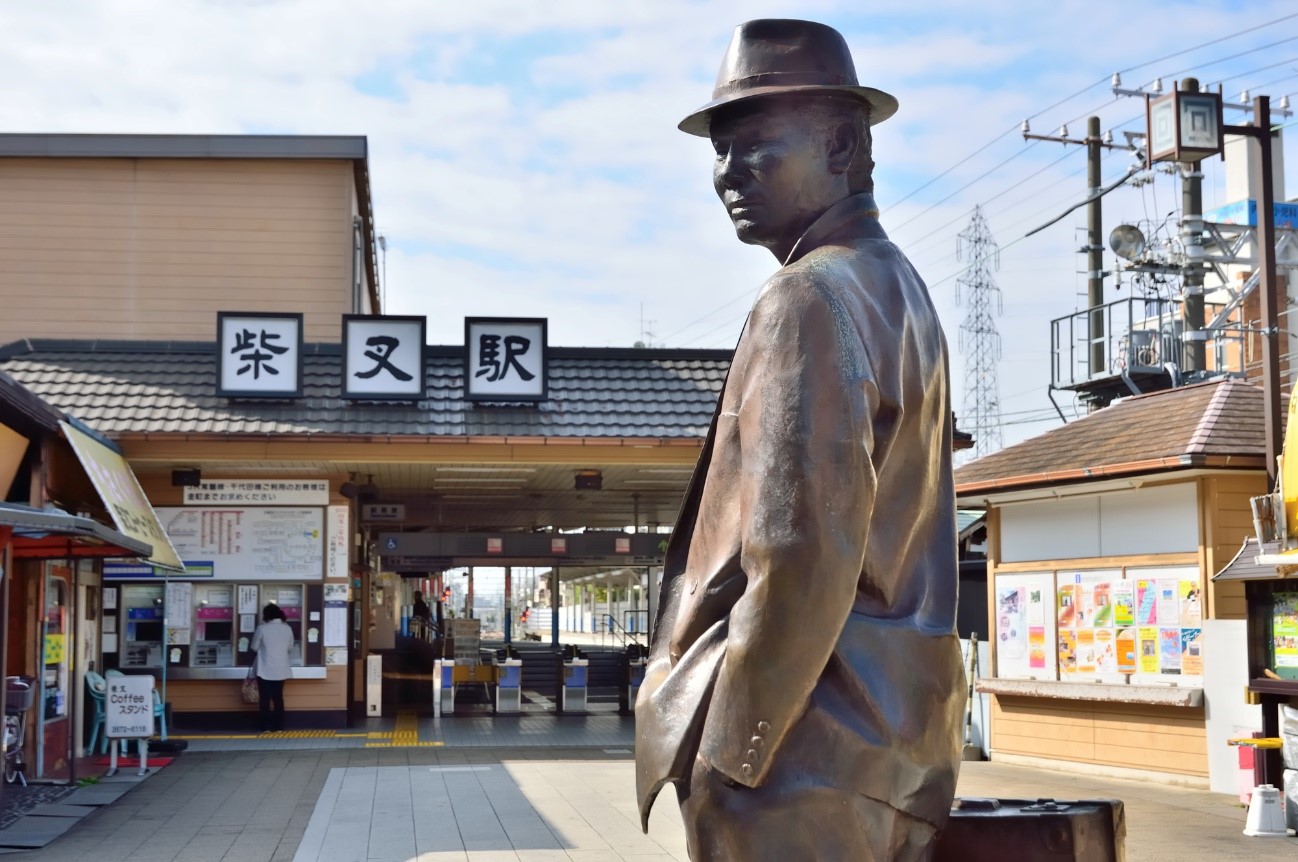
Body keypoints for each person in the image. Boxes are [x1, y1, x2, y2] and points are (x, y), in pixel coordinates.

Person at [635, 19, 965, 861]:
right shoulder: (898, 289)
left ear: (844, 145)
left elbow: (798, 554)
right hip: (892, 748)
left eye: (755, 144)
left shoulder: (807, 298)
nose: (727, 174)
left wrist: (728, 761)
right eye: (720, 150)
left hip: (800, 759)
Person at [250, 603, 293, 732]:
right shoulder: (287, 628)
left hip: (265, 669)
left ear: (267, 615)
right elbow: (290, 648)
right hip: (281, 668)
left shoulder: (262, 628)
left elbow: (254, 647)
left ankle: (265, 727)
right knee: (278, 698)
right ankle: (279, 727)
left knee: (265, 699)